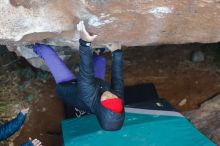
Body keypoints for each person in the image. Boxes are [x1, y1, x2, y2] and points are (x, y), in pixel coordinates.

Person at [33, 21, 125, 131]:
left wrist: (85, 42)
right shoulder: (117, 99)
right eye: (115, 98)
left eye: (107, 99)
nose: (110, 95)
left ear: (101, 107)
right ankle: (96, 53)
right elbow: (118, 78)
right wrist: (117, 52)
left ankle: (34, 46)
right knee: (100, 59)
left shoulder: (88, 96)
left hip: (69, 86)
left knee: (45, 50)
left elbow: (86, 70)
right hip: (96, 85)